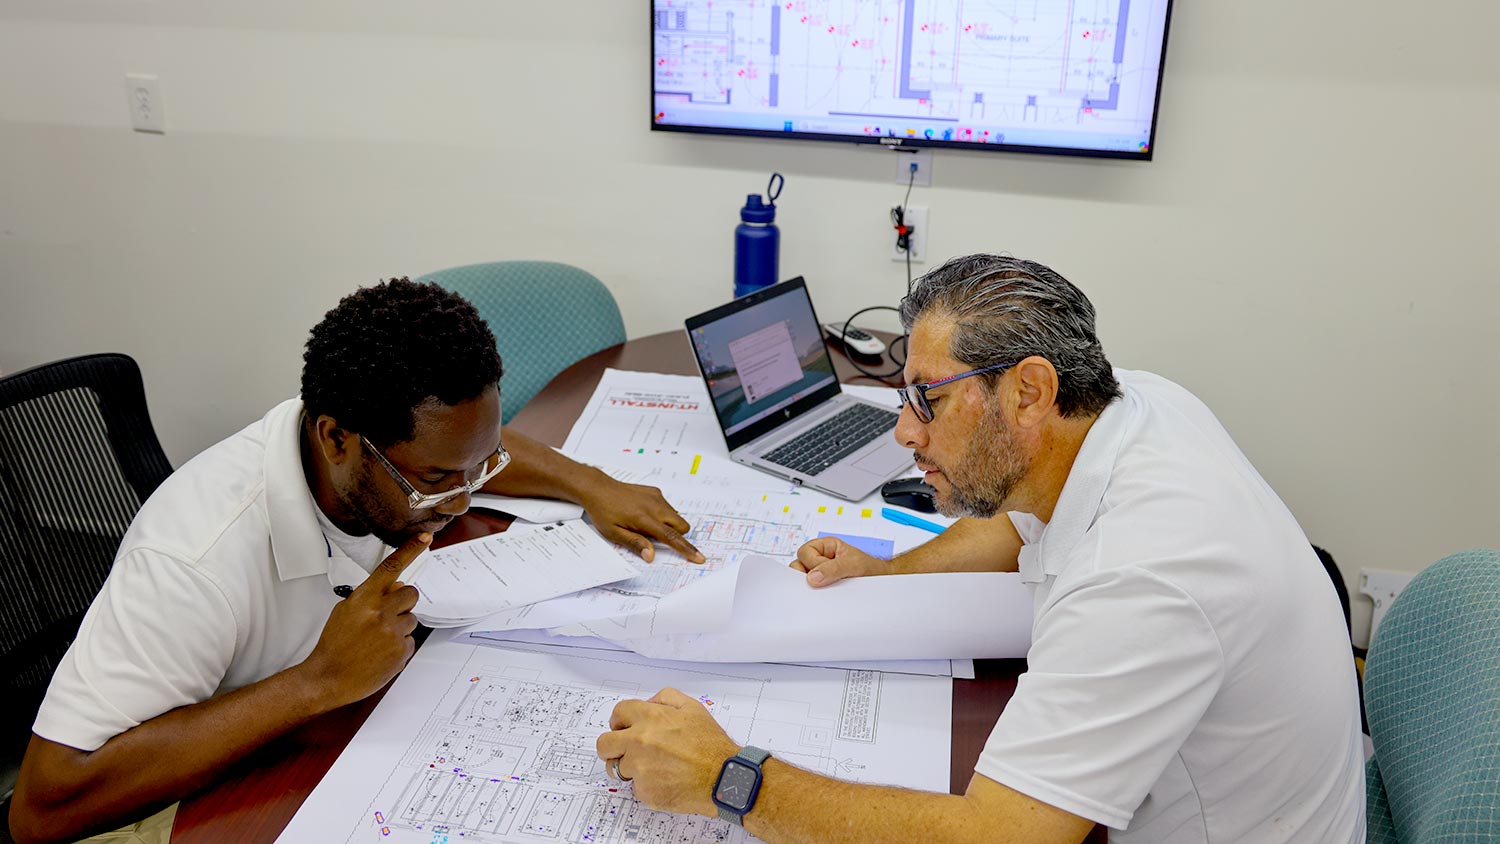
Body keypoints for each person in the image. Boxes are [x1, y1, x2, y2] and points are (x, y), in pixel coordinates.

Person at [595, 255, 1366, 843]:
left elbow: (1004, 835)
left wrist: (732, 780)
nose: (904, 429)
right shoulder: (1129, 403)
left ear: (1028, 391)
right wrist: (889, 571)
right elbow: (1015, 513)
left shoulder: (1142, 577)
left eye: (927, 397)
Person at [9, 278, 705, 844]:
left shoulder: (377, 440)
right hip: (195, 803)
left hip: (317, 739)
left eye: (479, 467)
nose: (462, 501)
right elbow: (42, 807)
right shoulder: (195, 559)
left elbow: (464, 449)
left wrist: (592, 484)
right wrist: (315, 682)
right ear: (337, 439)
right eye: (435, 482)